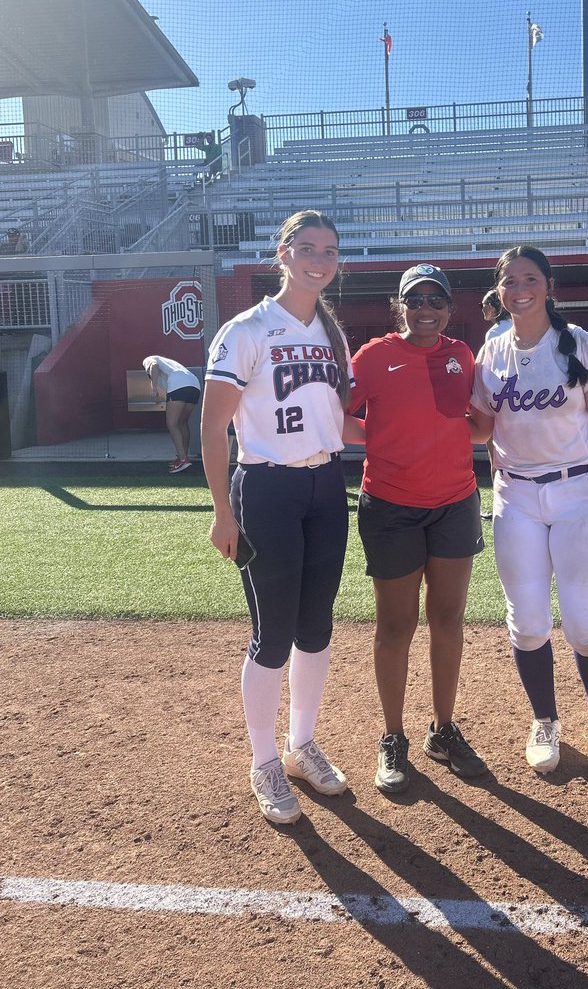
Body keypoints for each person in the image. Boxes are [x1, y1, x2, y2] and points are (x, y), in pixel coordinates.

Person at [201, 209, 355, 825]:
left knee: (316, 626)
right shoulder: (247, 330)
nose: (320, 260)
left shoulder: (331, 332)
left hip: (325, 485)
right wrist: (220, 510)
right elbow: (213, 427)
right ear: (283, 253)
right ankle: (263, 759)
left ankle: (300, 745)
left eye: (330, 251)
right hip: (265, 489)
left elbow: (335, 418)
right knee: (273, 634)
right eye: (308, 248)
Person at [468, 245, 588, 779]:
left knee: (585, 627)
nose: (520, 289)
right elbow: (483, 430)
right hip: (516, 498)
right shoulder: (490, 352)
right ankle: (544, 720)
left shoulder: (582, 345)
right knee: (528, 624)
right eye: (509, 280)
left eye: (530, 278)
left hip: (579, 494)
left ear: (549, 285)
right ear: (499, 289)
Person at [349, 263, 486, 794]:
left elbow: (477, 425)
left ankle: (443, 730)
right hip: (390, 506)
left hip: (454, 502)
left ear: (450, 307)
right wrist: (382, 441)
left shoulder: (461, 355)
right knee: (396, 625)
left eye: (436, 301)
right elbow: (338, 415)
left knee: (448, 618)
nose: (426, 310)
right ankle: (392, 737)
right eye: (416, 300)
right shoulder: (375, 356)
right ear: (399, 306)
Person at [479, 290, 512, 518]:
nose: (482, 311)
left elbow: (492, 371)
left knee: (496, 457)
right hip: (523, 404)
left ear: (493, 307)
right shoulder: (518, 326)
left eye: (484, 306)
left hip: (500, 402)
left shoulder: (494, 333)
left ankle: (502, 505)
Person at [142, 355, 202, 473]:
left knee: (172, 423)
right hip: (194, 385)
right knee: (182, 423)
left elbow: (153, 365)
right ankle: (183, 457)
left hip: (179, 384)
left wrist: (153, 388)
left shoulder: (148, 359)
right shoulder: (170, 364)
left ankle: (182, 459)